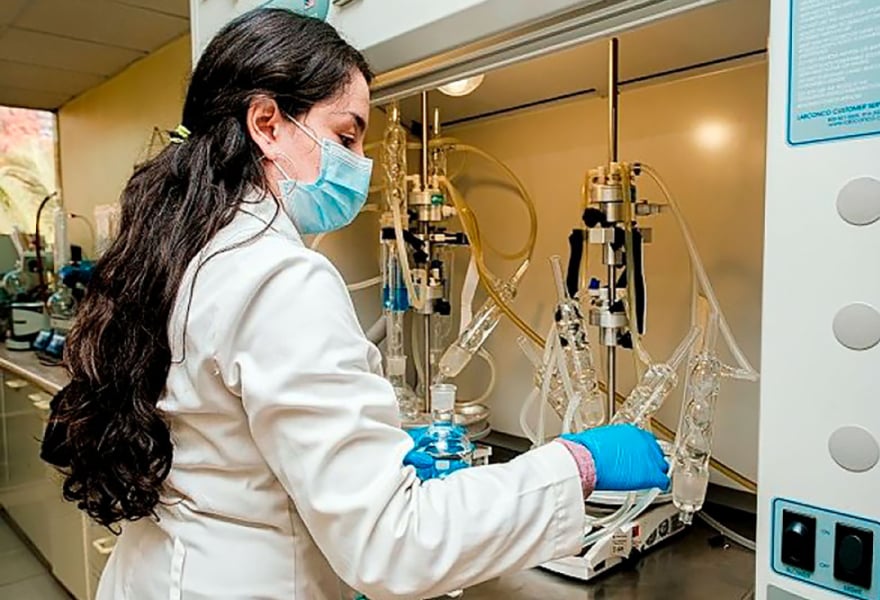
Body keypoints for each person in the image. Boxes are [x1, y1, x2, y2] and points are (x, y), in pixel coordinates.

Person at [42, 9, 669, 600]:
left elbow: (220, 443)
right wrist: (575, 466)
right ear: (267, 124)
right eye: (346, 135)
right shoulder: (280, 276)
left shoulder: (182, 254)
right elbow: (393, 544)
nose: (360, 164)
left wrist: (370, 449)